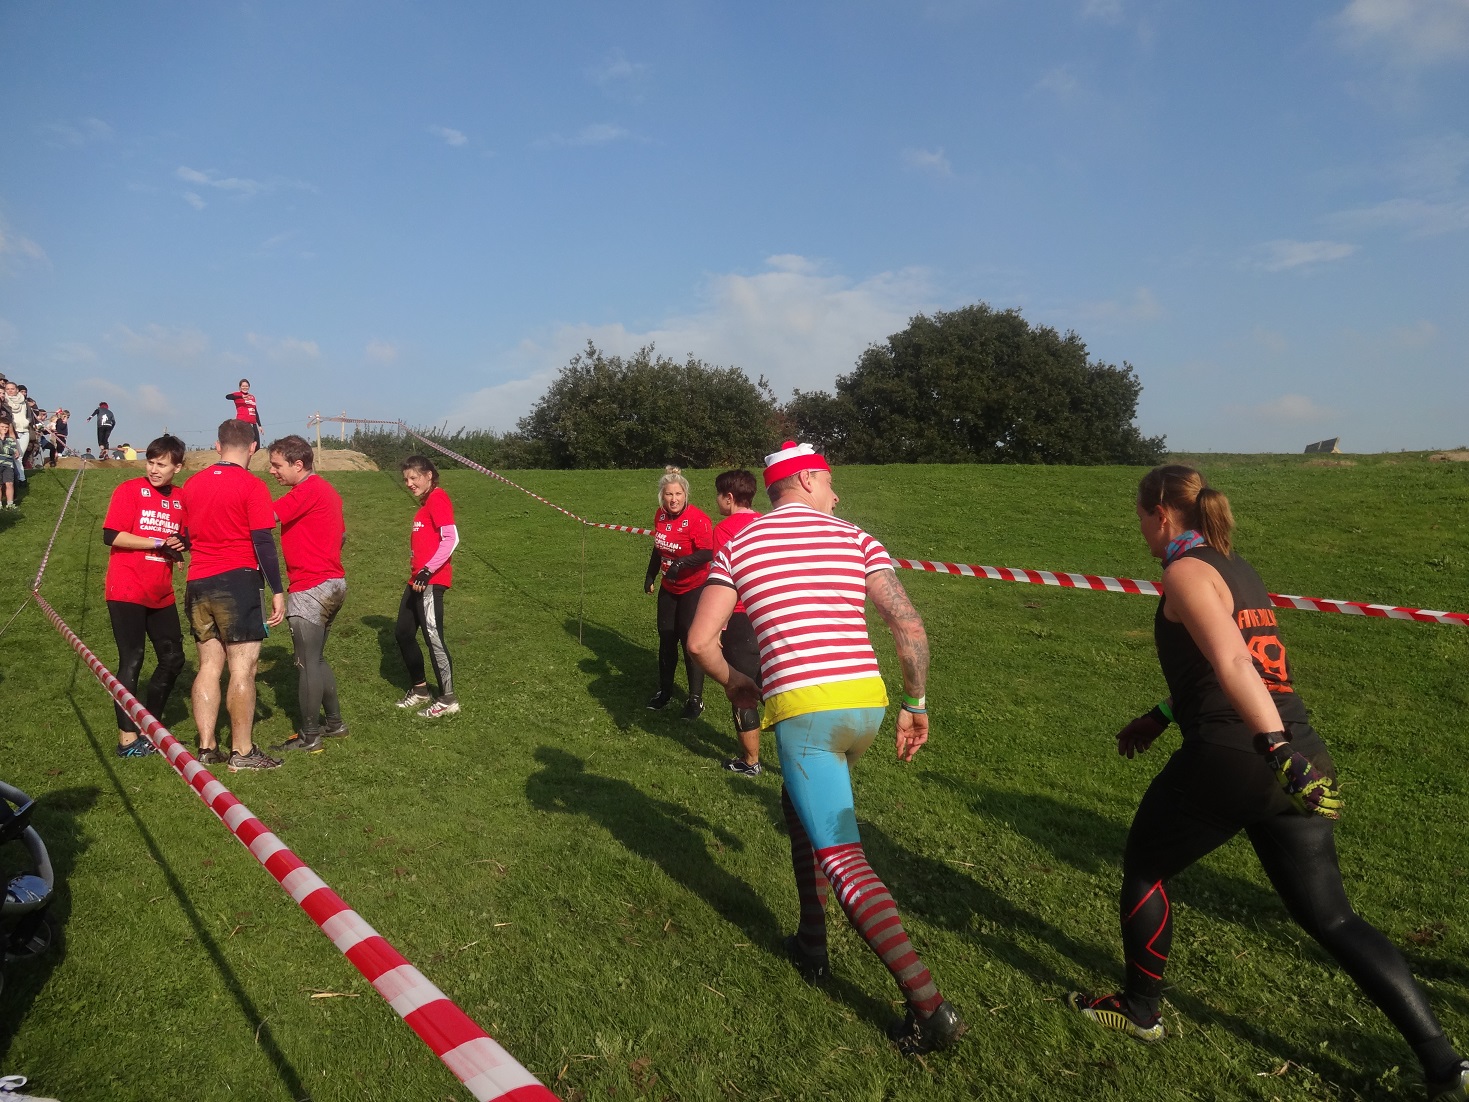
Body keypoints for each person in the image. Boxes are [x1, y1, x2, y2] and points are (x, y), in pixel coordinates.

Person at [1067, 464, 1468, 1100]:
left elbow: (1232, 661)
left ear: (1163, 515)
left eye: (1140, 517)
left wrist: (1272, 747)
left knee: (1145, 868)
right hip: (1299, 755)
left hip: (1244, 754)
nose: (1139, 529)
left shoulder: (1184, 572)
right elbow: (1241, 664)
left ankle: (1141, 1009)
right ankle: (1445, 1064)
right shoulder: (1237, 567)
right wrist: (1164, 715)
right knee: (1333, 918)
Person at [687, 440, 966, 1056]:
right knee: (798, 806)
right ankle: (812, 942)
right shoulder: (856, 537)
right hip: (864, 705)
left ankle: (929, 1008)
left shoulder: (740, 541)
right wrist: (916, 703)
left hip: (805, 713)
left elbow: (701, 640)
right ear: (808, 480)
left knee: (843, 858)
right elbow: (907, 624)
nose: (837, 496)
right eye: (831, 483)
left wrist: (735, 683)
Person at [178, 419, 288, 772]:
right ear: (253, 447)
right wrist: (277, 589)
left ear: (217, 445)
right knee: (243, 668)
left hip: (198, 581)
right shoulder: (253, 485)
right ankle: (242, 750)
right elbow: (263, 541)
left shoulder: (192, 484)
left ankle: (207, 746)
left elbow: (185, 536)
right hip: (237, 581)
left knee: (209, 666)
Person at [100, 435, 189, 757]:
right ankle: (127, 740)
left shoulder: (182, 498)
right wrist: (156, 543)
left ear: (178, 467)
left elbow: (185, 536)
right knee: (133, 659)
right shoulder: (129, 490)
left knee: (173, 658)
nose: (153, 469)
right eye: (150, 462)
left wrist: (181, 543)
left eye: (161, 464)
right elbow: (111, 535)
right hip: (126, 587)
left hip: (161, 590)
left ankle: (149, 729)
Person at [265, 435, 348, 753]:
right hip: (333, 583)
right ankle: (335, 724)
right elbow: (341, 535)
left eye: (276, 465)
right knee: (317, 658)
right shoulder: (327, 490)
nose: (272, 471)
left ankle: (310, 736)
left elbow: (266, 517)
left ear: (298, 464)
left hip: (311, 586)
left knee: (306, 663)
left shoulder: (306, 490)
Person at [644, 466, 714, 719]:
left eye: (678, 494)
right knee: (666, 638)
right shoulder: (660, 516)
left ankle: (695, 699)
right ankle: (665, 691)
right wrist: (650, 574)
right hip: (669, 587)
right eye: (669, 494)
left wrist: (681, 564)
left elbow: (708, 552)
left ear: (686, 495)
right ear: (662, 497)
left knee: (689, 642)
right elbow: (659, 546)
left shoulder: (698, 519)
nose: (673, 499)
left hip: (693, 587)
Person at [394, 455, 460, 718]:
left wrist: (427, 569)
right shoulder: (426, 503)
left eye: (414, 477)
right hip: (417, 581)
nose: (409, 483)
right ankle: (421, 690)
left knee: (434, 638)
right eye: (406, 479)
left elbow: (451, 538)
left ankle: (448, 699)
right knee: (403, 632)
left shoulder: (438, 498)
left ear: (429, 475)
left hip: (431, 581)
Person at [709, 468, 764, 775]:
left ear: (729, 498)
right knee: (780, 689)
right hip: (771, 615)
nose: (716, 501)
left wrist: (718, 626)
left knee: (743, 692)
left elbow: (724, 583)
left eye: (718, 495)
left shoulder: (724, 530)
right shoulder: (769, 523)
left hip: (742, 618)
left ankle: (750, 761)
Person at [4, 382, 29, 484]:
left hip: (25, 430)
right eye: (8, 389)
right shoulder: (5, 402)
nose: (10, 391)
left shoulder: (23, 401)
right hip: (13, 431)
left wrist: (28, 422)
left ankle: (17, 477)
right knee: (16, 456)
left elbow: (29, 414)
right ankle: (21, 479)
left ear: (17, 390)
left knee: (20, 456)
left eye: (12, 389)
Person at [225, 379, 263, 447]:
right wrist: (241, 396)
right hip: (242, 422)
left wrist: (259, 425)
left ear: (249, 387)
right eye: (243, 386)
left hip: (253, 423)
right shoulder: (237, 395)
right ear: (240, 387)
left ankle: (247, 454)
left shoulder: (252, 397)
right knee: (245, 443)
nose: (245, 387)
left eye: (246, 386)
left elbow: (255, 411)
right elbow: (227, 397)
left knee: (257, 445)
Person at [0, 421, 19, 509]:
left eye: (6, 427)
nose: (4, 429)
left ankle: (10, 504)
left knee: (10, 483)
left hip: (8, 464)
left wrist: (7, 450)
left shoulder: (10, 440)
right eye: (2, 427)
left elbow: (14, 451)